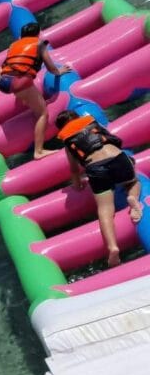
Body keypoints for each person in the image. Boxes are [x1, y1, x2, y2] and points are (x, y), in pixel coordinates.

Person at [55, 110, 143, 267]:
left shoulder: (67, 141)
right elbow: (111, 139)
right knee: (133, 182)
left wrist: (77, 183)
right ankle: (133, 199)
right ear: (77, 118)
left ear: (61, 129)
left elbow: (74, 169)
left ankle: (112, 247)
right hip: (116, 157)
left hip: (95, 167)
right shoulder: (91, 122)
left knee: (105, 209)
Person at [0, 21, 72, 158]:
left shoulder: (13, 45)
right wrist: (59, 72)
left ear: (22, 36)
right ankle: (38, 151)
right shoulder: (40, 44)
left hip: (3, 82)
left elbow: (9, 65)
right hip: (19, 84)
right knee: (43, 113)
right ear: (37, 34)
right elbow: (50, 67)